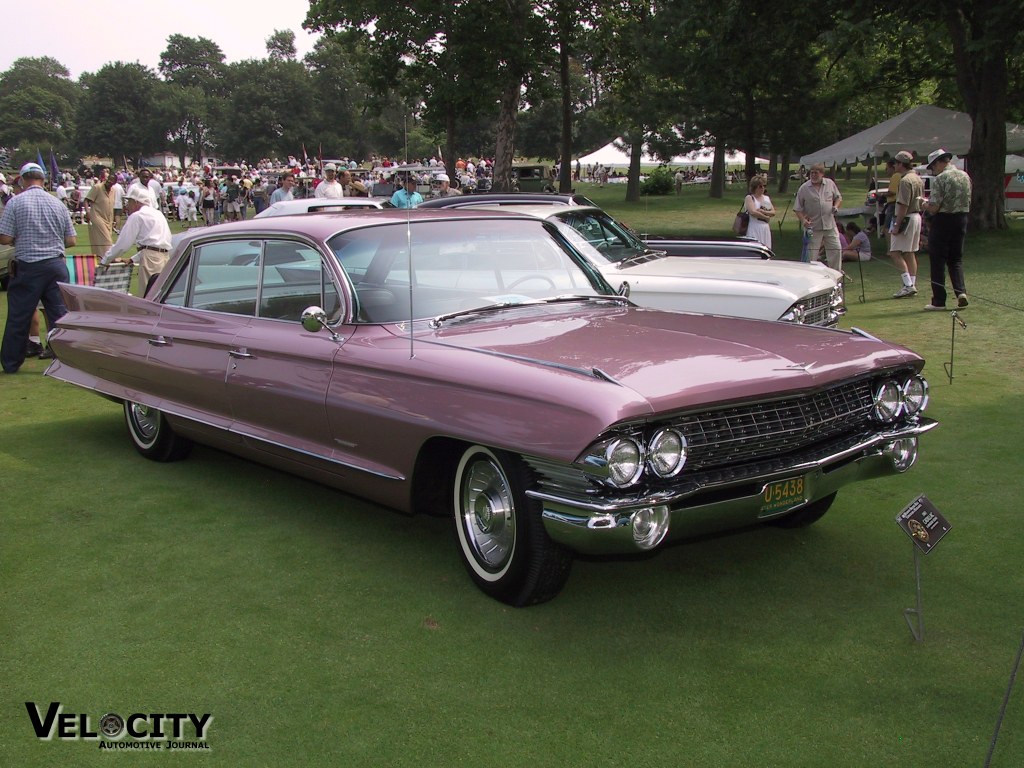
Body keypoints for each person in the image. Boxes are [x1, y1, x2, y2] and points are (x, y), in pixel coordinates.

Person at [0, 162, 77, 374]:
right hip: (55, 265)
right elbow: (71, 240)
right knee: (59, 315)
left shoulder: (15, 203)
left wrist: (20, 238)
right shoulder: (58, 204)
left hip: (29, 265)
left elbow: (4, 237)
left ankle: (11, 363)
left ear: (23, 180)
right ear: (43, 180)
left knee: (19, 316)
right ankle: (67, 359)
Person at [922, 148, 972, 311]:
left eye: (932, 166)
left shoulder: (941, 179)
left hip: (944, 219)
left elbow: (934, 207)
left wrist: (924, 204)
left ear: (938, 162)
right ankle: (960, 292)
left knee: (937, 260)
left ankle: (939, 300)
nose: (933, 170)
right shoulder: (965, 175)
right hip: (962, 218)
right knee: (956, 258)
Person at [100, 186, 172, 296]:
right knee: (161, 295)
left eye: (129, 201)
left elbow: (123, 244)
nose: (127, 205)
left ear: (137, 202)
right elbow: (156, 245)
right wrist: (133, 259)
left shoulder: (137, 216)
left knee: (149, 297)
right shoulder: (158, 214)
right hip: (165, 258)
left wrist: (105, 260)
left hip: (151, 261)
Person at [887, 150, 925, 298]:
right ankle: (911, 284)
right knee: (910, 252)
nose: (894, 166)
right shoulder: (917, 178)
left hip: (907, 217)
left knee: (894, 252)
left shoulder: (905, 181)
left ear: (901, 164)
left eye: (895, 163)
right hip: (916, 216)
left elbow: (903, 204)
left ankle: (908, 285)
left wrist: (897, 224)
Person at [794, 163, 843, 270]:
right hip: (813, 227)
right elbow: (797, 208)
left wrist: (835, 206)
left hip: (830, 225)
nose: (813, 175)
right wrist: (803, 221)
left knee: (836, 250)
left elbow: (838, 197)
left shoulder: (830, 184)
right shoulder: (804, 188)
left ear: (822, 174)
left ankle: (836, 275)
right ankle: (810, 277)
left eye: (816, 173)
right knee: (811, 255)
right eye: (811, 173)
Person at [83, 171, 117, 261]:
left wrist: (113, 220)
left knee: (103, 241)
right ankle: (110, 259)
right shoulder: (97, 187)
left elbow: (111, 206)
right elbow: (86, 200)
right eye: (108, 181)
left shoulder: (113, 190)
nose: (109, 183)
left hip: (108, 219)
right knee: (107, 241)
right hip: (97, 216)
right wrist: (88, 212)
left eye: (112, 182)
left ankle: (100, 259)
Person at [744, 175, 775, 250]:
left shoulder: (766, 198)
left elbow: (773, 212)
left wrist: (763, 211)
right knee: (754, 248)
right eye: (760, 186)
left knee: (766, 249)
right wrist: (765, 217)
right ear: (755, 187)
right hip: (754, 227)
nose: (763, 188)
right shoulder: (750, 198)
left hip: (764, 228)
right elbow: (753, 212)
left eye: (764, 186)